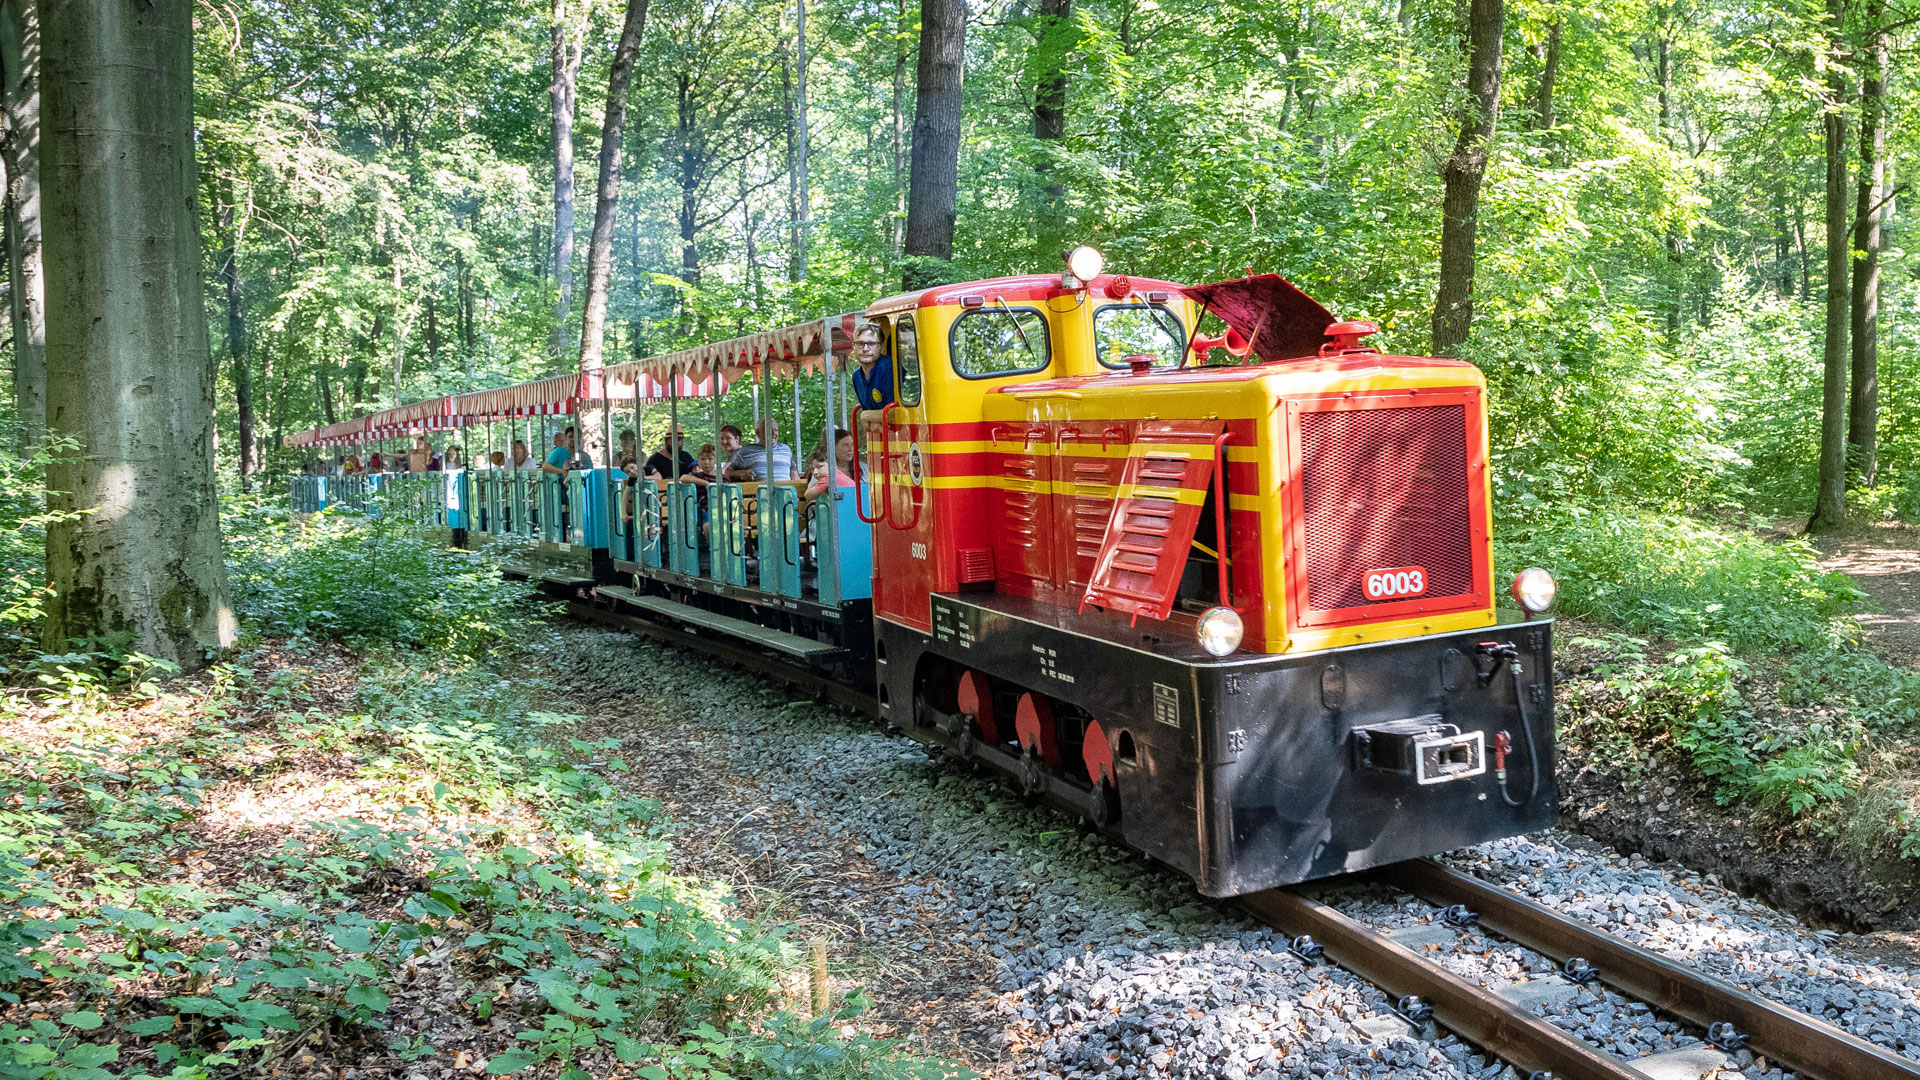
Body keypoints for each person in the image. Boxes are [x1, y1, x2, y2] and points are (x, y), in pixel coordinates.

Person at [723, 418, 796, 481]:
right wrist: (740, 473)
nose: (773, 433)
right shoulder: (745, 451)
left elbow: (792, 467)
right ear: (758, 433)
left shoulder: (786, 449)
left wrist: (793, 472)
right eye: (769, 430)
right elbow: (726, 471)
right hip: (760, 492)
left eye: (776, 430)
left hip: (786, 491)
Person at [850, 320, 894, 411]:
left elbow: (896, 413)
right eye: (860, 343)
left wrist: (865, 416)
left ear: (881, 346)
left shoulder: (888, 367)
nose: (865, 349)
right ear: (854, 347)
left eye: (871, 344)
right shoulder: (856, 376)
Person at [806, 428, 856, 496]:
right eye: (845, 445)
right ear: (833, 448)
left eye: (852, 445)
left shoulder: (830, 478)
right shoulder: (837, 474)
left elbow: (808, 495)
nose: (851, 449)